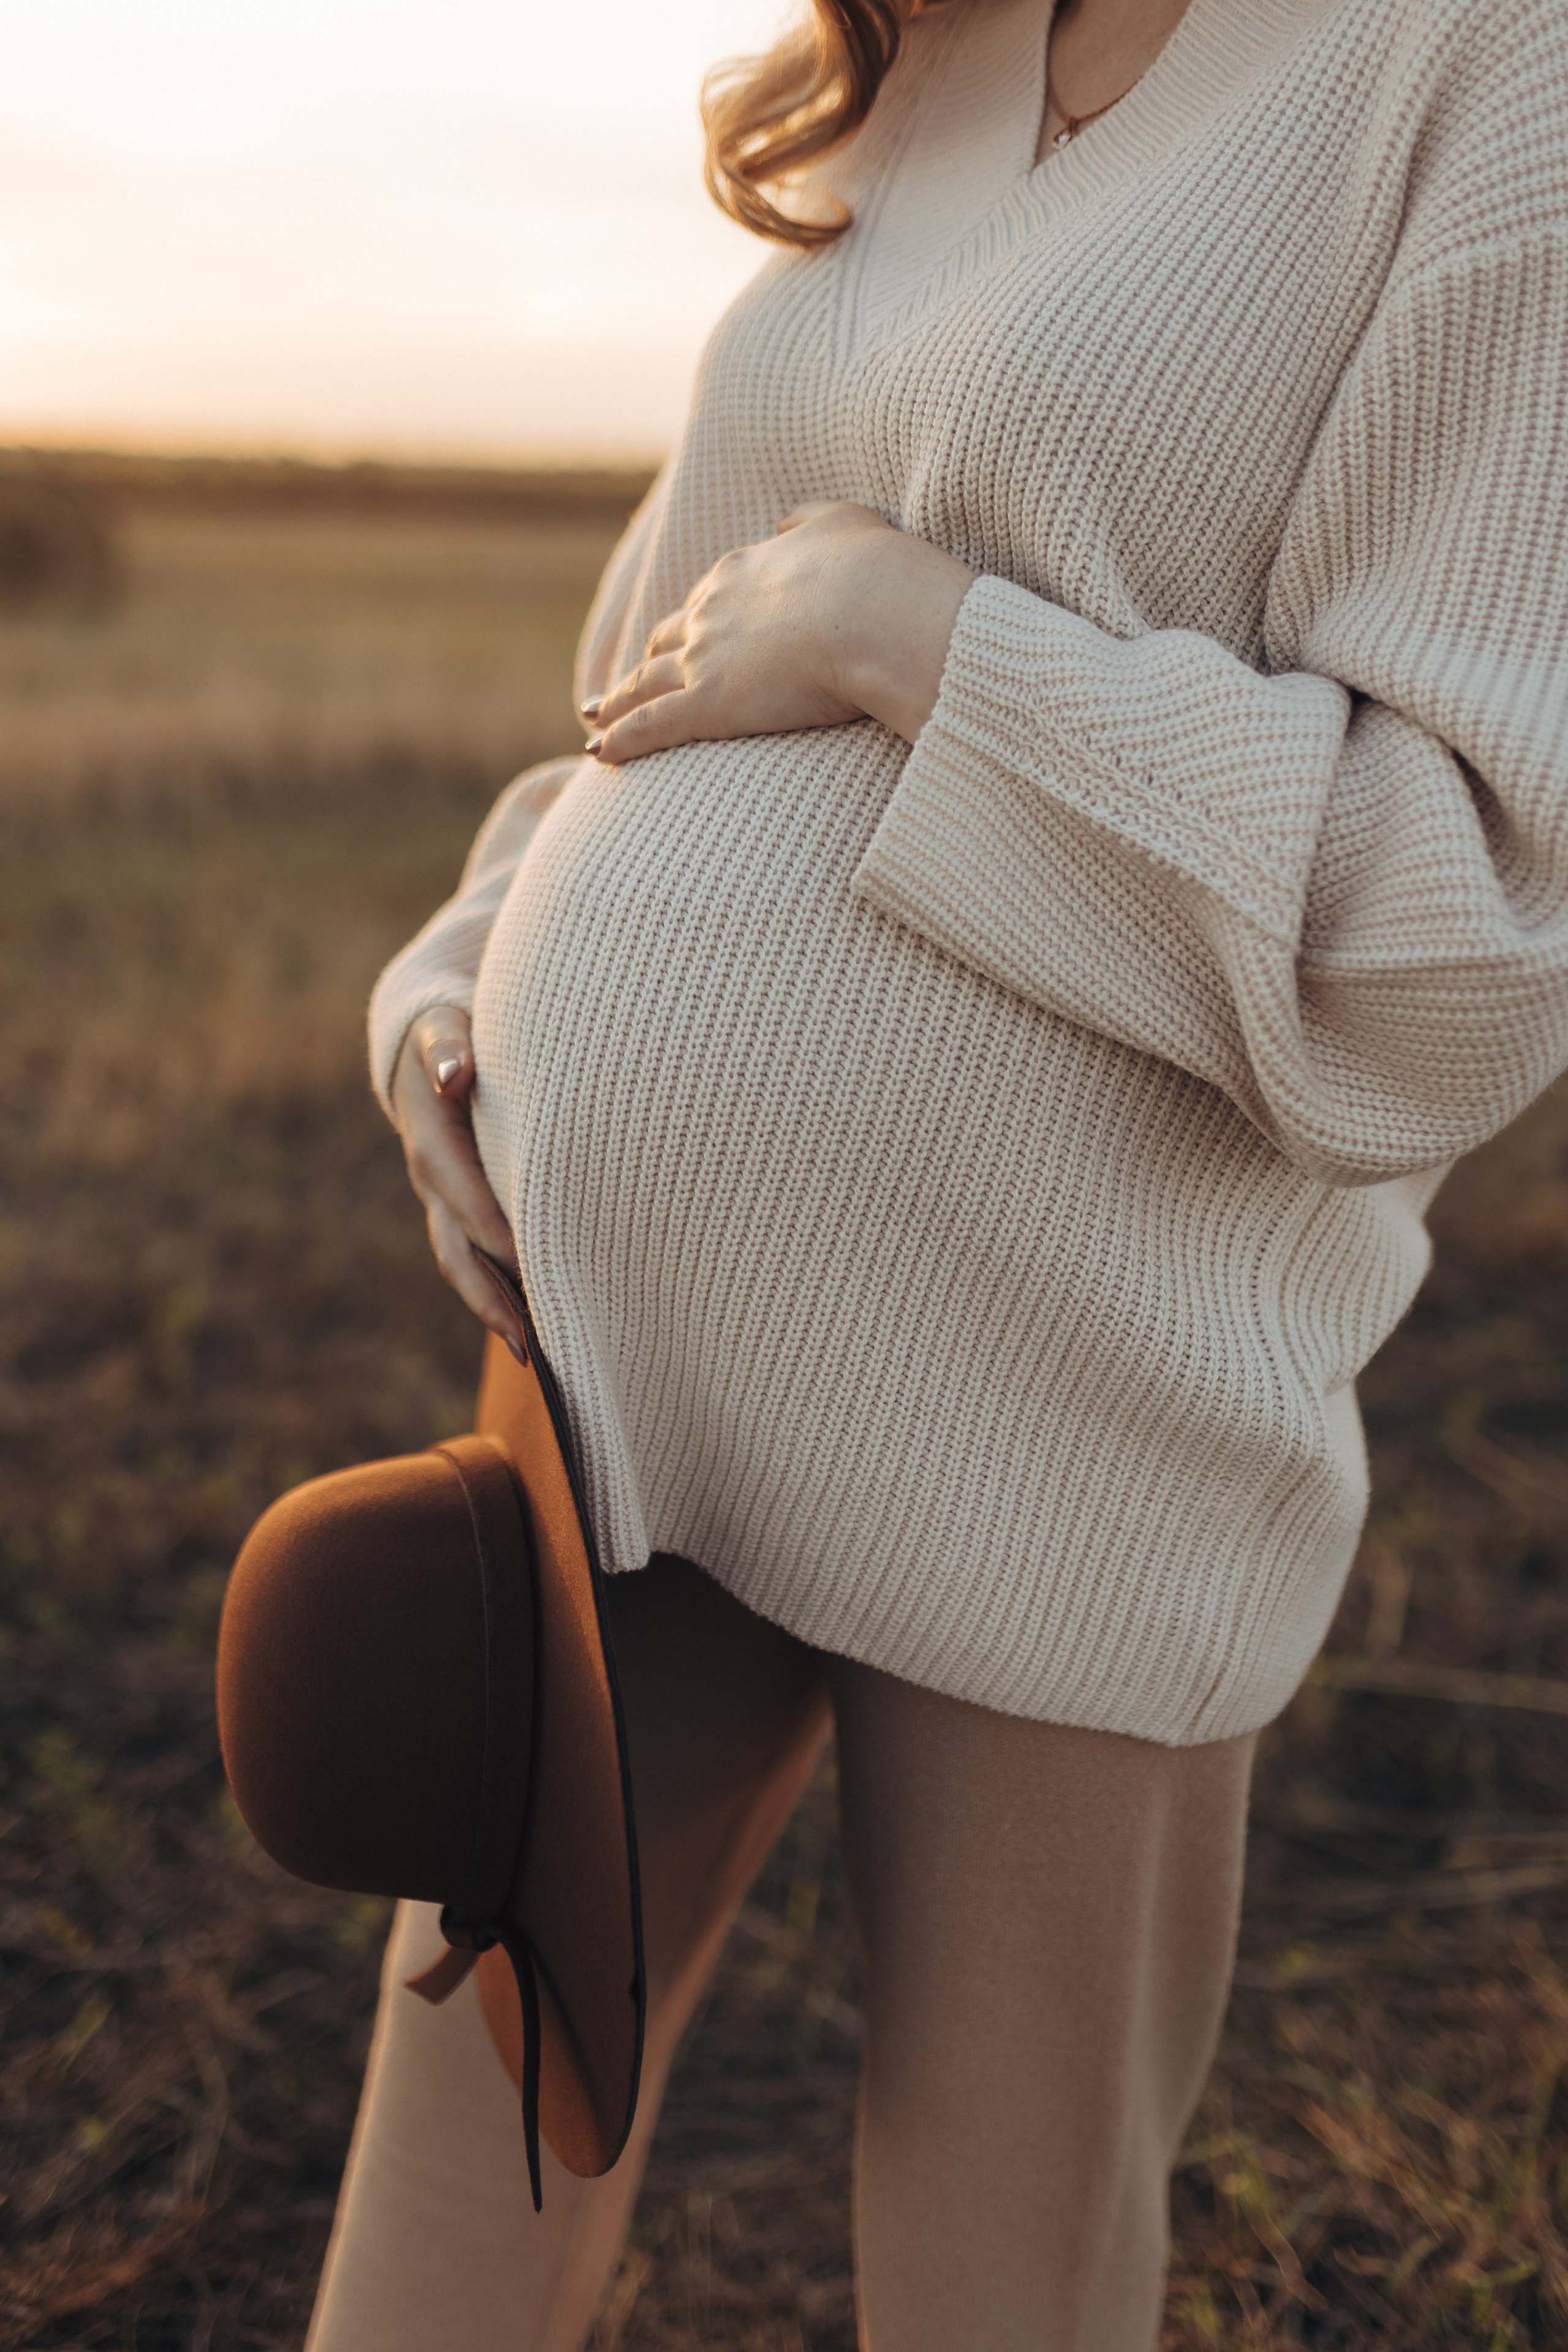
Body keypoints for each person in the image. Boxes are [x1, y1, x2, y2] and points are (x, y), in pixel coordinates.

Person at [306, 0, 1568, 2343]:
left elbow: (1458, 931)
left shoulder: (1482, 66)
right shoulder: (933, 61)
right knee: (446, 2215)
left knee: (1005, 2276)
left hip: (1065, 1413)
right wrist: (460, 989)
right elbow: (645, 685)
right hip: (622, 1355)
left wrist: (923, 637)